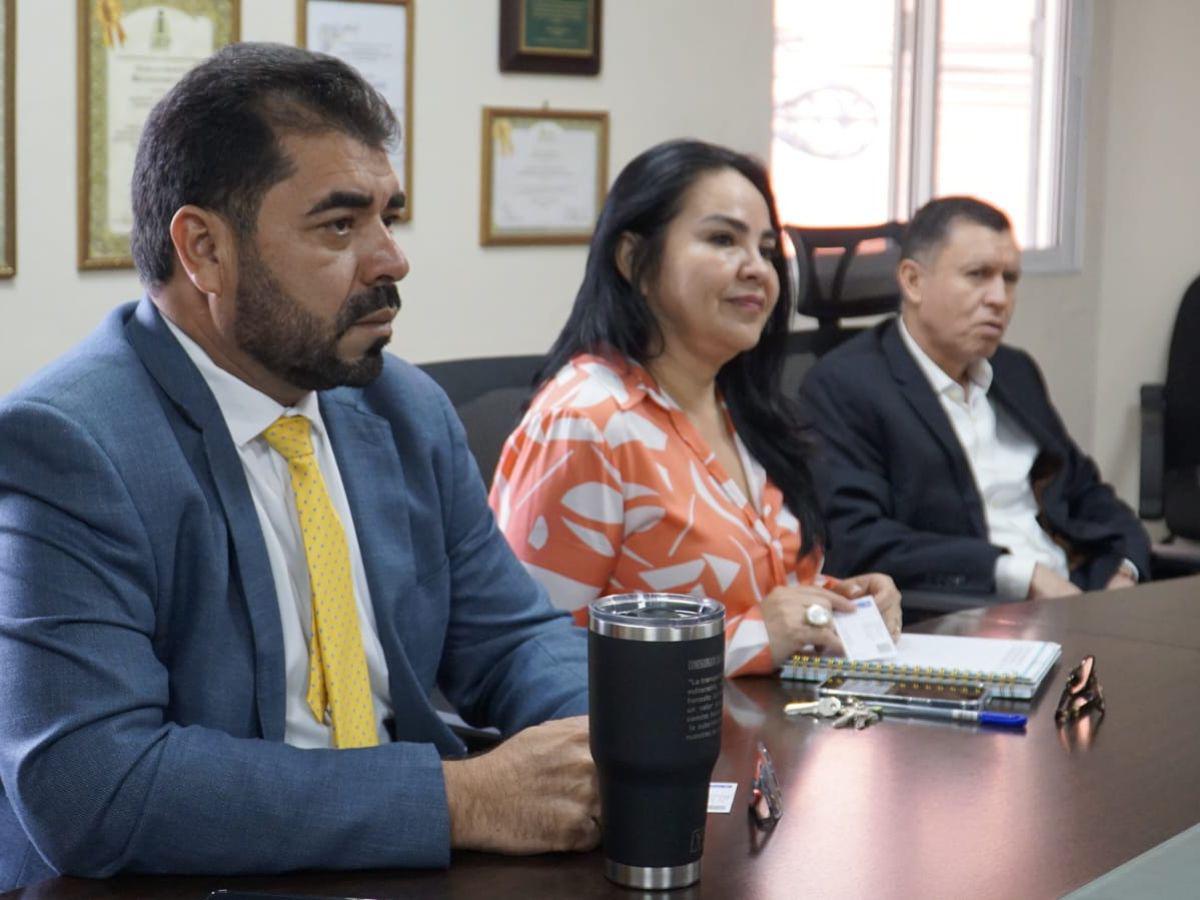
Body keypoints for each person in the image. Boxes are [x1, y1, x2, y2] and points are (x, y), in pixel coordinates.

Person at [0, 43, 597, 890]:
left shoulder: (404, 408)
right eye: (339, 225)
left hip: (409, 865)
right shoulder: (71, 444)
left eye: (389, 217)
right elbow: (97, 787)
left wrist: (600, 745)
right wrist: (460, 799)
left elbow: (513, 641)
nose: (391, 259)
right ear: (204, 250)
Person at [487, 139, 901, 678]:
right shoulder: (586, 421)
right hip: (655, 734)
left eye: (767, 249)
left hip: (781, 720)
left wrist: (837, 603)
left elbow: (749, 599)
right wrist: (754, 638)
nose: (758, 269)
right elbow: (530, 657)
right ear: (634, 260)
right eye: (723, 239)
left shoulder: (740, 407)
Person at [799, 196, 1151, 601]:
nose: (999, 298)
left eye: (1010, 278)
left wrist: (1124, 570)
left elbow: (1087, 493)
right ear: (913, 281)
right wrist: (1020, 575)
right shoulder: (845, 385)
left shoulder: (1015, 372)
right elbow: (857, 541)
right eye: (978, 275)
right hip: (967, 612)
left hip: (1077, 598)